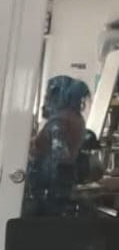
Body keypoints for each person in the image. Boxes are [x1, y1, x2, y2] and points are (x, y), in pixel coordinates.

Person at [23, 74, 92, 217]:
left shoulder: (60, 120)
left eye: (48, 94)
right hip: (63, 179)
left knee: (41, 221)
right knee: (53, 221)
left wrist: (34, 150)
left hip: (49, 182)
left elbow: (59, 154)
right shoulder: (77, 118)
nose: (46, 99)